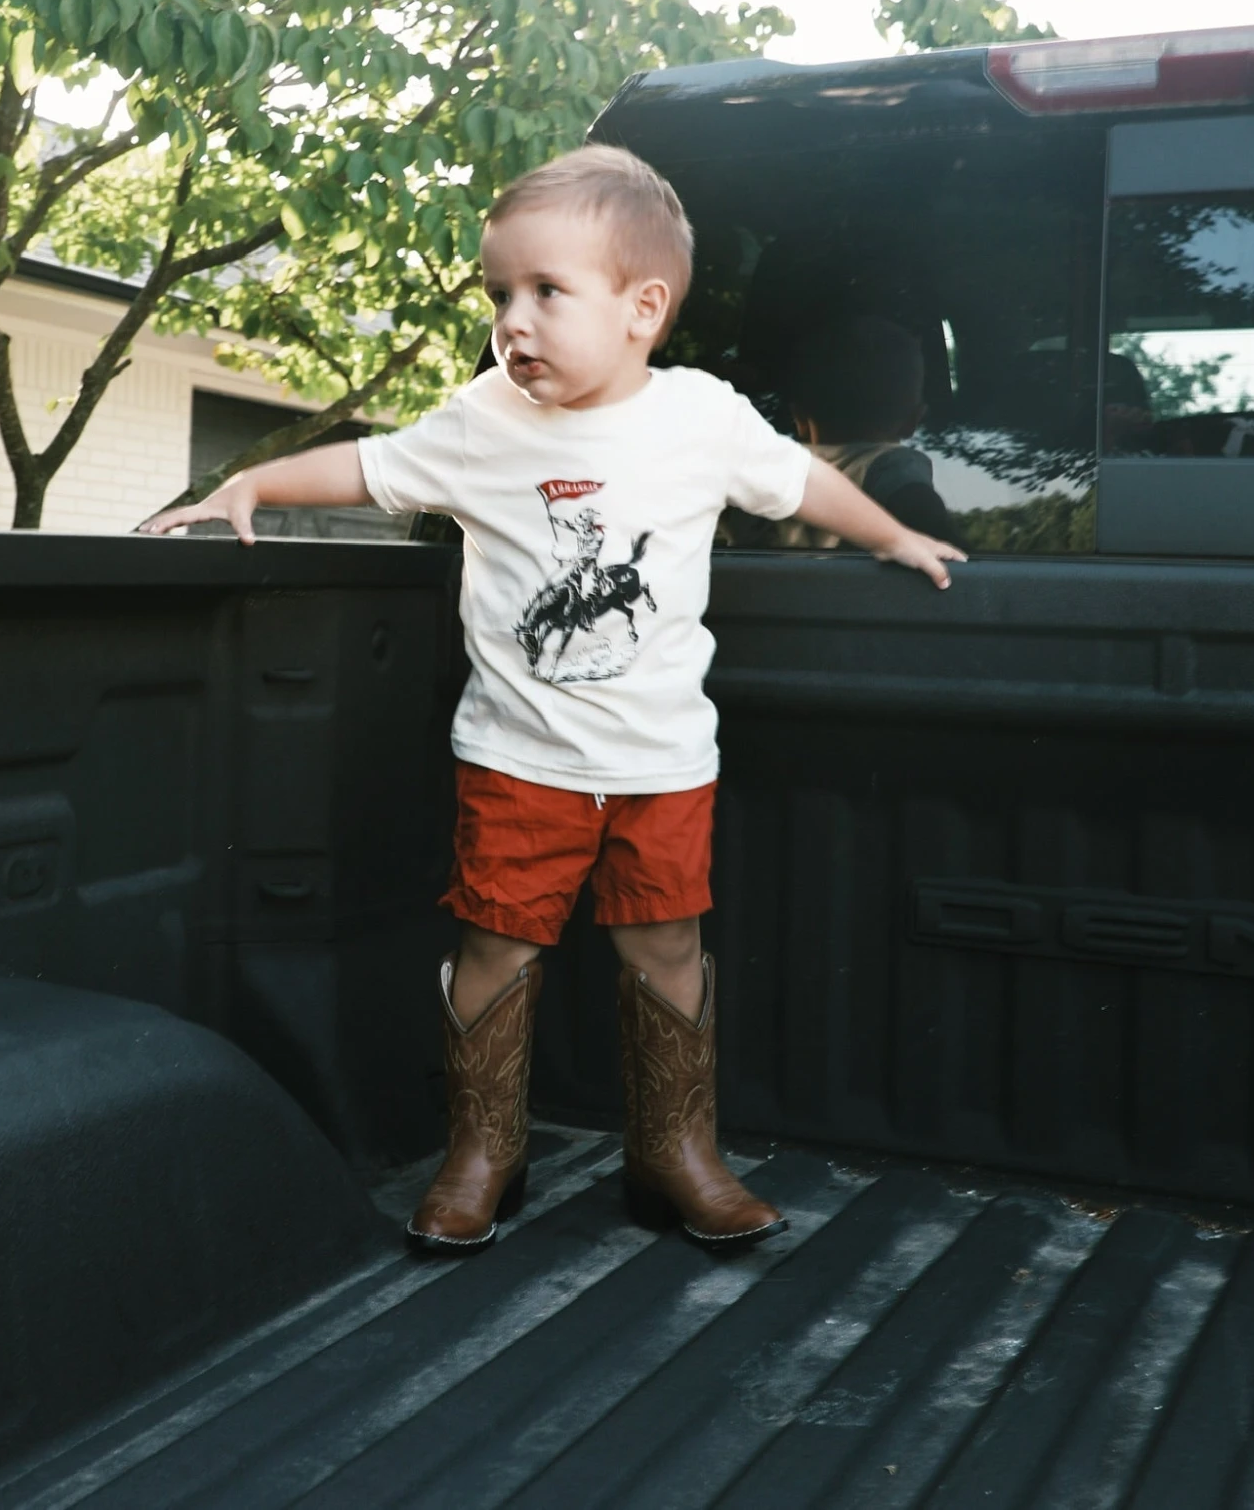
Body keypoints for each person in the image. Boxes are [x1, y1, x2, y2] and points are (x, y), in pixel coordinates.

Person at [142, 148, 963, 1254]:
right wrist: (252, 482)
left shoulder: (702, 417)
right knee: (496, 948)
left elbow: (798, 479)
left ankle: (677, 1152)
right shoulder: (484, 421)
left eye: (545, 292)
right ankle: (483, 1153)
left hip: (663, 765)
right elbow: (370, 468)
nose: (512, 322)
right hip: (519, 763)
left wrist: (893, 533)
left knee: (666, 949)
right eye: (500, 296)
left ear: (642, 309)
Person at [777, 314, 957, 546]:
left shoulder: (767, 474)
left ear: (799, 418)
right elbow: (940, 542)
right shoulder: (891, 472)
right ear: (912, 421)